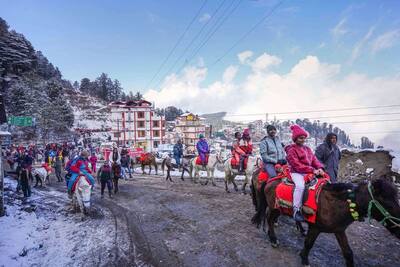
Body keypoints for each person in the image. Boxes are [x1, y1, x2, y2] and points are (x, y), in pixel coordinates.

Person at [285, 125, 324, 222]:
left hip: (308, 172)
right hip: (296, 172)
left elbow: (314, 160)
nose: (303, 140)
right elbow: (297, 165)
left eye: (304, 138)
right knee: (300, 186)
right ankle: (296, 209)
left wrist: (319, 168)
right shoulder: (291, 150)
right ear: (295, 139)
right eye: (300, 138)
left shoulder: (307, 149)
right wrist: (312, 170)